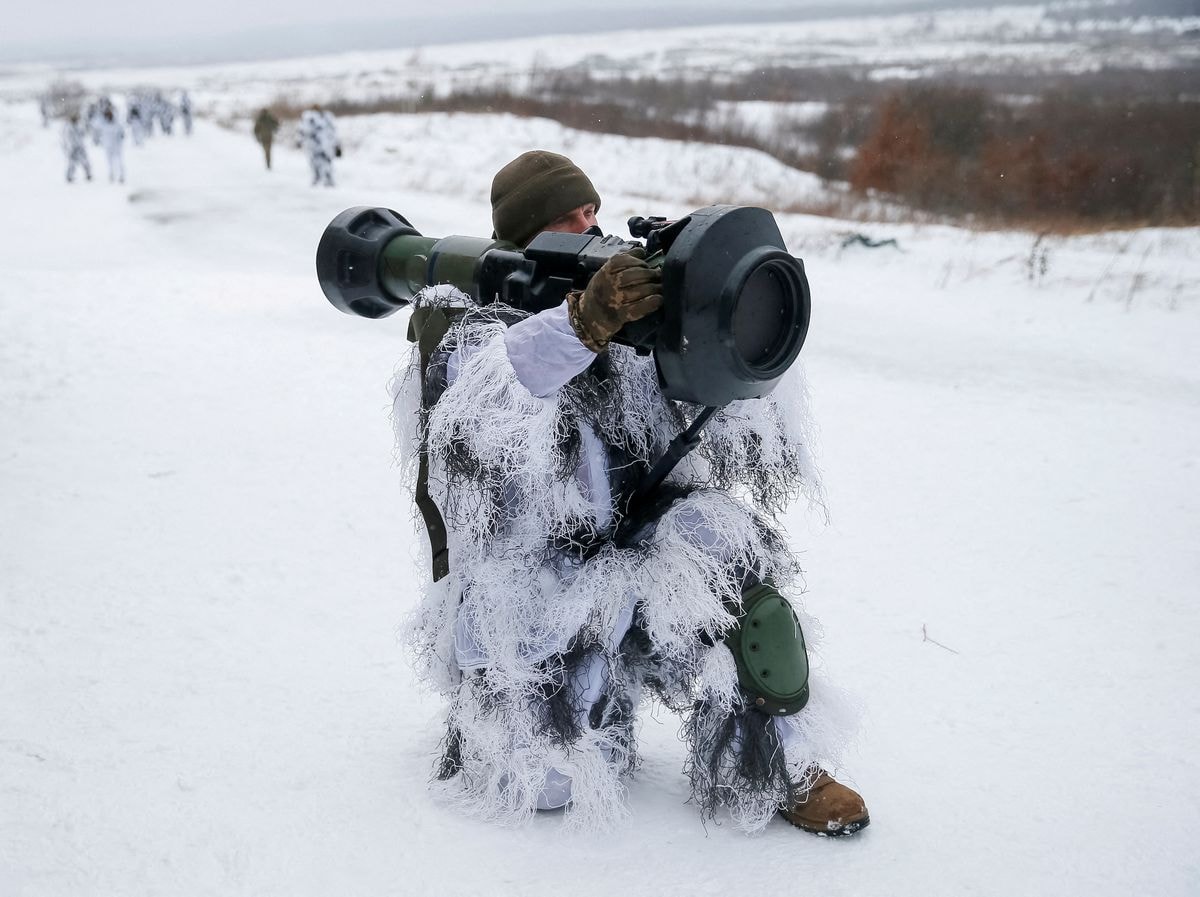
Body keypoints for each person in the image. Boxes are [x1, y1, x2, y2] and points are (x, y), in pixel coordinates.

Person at [389, 150, 869, 834]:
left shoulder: (626, 322)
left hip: (631, 548)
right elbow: (487, 423)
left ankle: (779, 768)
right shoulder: (473, 330)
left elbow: (733, 441)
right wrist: (582, 326)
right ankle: (511, 727)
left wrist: (723, 333)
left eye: (592, 211)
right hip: (530, 584)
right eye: (566, 218)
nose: (588, 226)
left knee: (730, 556)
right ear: (527, 238)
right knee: (552, 781)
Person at [297, 107, 340, 187]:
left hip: (321, 145)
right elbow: (303, 131)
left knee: (323, 163)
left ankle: (325, 179)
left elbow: (302, 131)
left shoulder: (318, 118)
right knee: (319, 163)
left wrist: (336, 144)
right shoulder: (314, 118)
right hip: (320, 145)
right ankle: (321, 178)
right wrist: (336, 143)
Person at [95, 107, 126, 184]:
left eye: (110, 115)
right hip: (108, 146)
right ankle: (111, 175)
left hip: (116, 146)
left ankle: (121, 176)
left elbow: (122, 134)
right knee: (109, 162)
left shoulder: (117, 124)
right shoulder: (102, 124)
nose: (109, 116)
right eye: (107, 115)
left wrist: (119, 141)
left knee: (119, 161)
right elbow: (96, 127)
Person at [60, 113, 92, 184]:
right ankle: (69, 176)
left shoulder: (80, 126)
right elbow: (66, 139)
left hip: (80, 147)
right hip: (72, 148)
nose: (75, 119)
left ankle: (88, 174)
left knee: (85, 161)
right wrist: (68, 148)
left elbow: (84, 134)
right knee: (72, 163)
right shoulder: (68, 127)